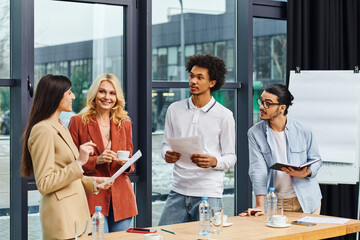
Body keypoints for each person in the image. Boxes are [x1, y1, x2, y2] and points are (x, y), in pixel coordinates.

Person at [21, 74, 112, 240]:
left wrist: (91, 182)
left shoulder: (60, 125)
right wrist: (80, 162)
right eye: (69, 92)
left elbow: (65, 173)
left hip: (76, 218)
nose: (73, 97)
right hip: (62, 220)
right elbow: (45, 183)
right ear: (56, 96)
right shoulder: (43, 130)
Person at [158, 54, 237, 225]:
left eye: (200, 77)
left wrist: (213, 161)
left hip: (208, 193)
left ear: (212, 83)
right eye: (192, 76)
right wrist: (167, 154)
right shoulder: (174, 109)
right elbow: (165, 144)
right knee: (164, 235)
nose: (193, 81)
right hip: (178, 190)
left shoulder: (224, 116)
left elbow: (231, 157)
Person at [68, 73, 137, 232]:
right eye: (102, 92)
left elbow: (130, 166)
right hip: (92, 197)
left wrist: (125, 164)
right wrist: (96, 160)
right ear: (94, 94)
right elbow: (71, 164)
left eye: (112, 93)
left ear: (117, 97)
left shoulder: (124, 123)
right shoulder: (78, 122)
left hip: (122, 199)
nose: (107, 97)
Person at [240, 84, 322, 217]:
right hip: (278, 202)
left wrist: (306, 172)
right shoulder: (255, 133)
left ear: (282, 108)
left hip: (308, 200)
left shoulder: (303, 129)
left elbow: (316, 160)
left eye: (268, 104)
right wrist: (260, 206)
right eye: (261, 102)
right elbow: (258, 169)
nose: (261, 106)